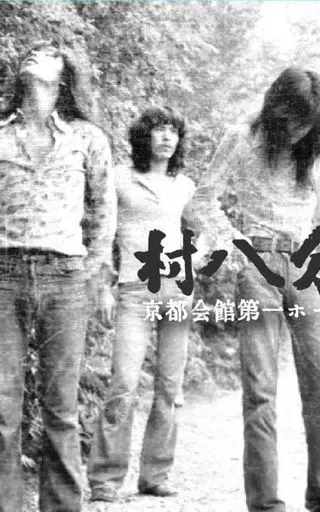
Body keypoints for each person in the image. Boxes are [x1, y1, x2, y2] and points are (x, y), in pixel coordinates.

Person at [191, 67, 320, 512]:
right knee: (260, 391)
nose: (299, 131)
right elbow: (201, 200)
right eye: (294, 120)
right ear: (277, 110)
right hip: (257, 263)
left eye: (309, 123)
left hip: (306, 265)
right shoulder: (243, 138)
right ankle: (265, 504)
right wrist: (232, 244)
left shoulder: (317, 148)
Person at [0, 41, 116, 512]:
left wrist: (94, 273)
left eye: (48, 53)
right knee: (2, 407)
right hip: (3, 275)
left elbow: (103, 212)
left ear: (64, 77)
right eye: (31, 52)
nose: (35, 55)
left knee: (60, 408)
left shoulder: (88, 137)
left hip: (65, 276)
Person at [87, 107, 195, 501]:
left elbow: (201, 227)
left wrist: (199, 254)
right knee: (124, 383)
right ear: (143, 136)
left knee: (170, 385)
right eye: (158, 130)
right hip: (134, 289)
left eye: (173, 131)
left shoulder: (185, 185)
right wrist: (103, 286)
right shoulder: (120, 178)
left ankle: (155, 475)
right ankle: (105, 479)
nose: (166, 138)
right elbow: (104, 232)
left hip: (178, 290)